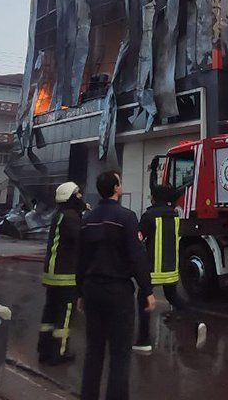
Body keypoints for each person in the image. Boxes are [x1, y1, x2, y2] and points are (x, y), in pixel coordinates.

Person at [77, 171, 154, 400]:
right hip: (118, 291)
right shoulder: (127, 218)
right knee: (120, 354)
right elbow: (136, 256)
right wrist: (147, 290)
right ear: (116, 188)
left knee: (94, 351)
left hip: (92, 290)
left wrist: (80, 291)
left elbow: (82, 258)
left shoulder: (87, 219)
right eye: (120, 182)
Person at [38, 181, 86, 365]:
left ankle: (44, 349)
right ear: (71, 197)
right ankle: (60, 352)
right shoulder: (72, 217)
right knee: (65, 315)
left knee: (49, 313)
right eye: (78, 194)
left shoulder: (59, 214)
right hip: (65, 274)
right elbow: (80, 240)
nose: (81, 197)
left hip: (52, 274)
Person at [132, 185, 184, 354]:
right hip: (171, 268)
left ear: (154, 198)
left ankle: (144, 340)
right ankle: (195, 321)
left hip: (153, 269)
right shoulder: (175, 214)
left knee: (143, 298)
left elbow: (138, 239)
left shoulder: (149, 216)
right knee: (173, 296)